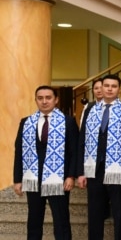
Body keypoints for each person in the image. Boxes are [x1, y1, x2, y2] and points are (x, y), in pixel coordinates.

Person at [77, 74, 121, 240]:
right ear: (101, 88)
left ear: (119, 89)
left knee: (120, 213)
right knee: (95, 213)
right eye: (106, 86)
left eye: (113, 86)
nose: (110, 89)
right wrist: (80, 172)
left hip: (118, 170)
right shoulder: (90, 110)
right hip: (94, 170)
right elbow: (82, 141)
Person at [13, 86, 78, 240]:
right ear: (35, 100)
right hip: (33, 178)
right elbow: (19, 152)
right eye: (40, 98)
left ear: (56, 100)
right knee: (34, 220)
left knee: (61, 220)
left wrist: (71, 176)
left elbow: (74, 151)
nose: (44, 101)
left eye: (48, 98)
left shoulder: (68, 122)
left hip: (59, 179)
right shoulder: (26, 122)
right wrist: (17, 179)